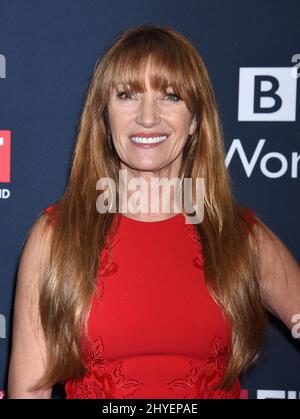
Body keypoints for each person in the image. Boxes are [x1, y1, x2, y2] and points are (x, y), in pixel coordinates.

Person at [7, 25, 300, 399]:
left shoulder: (240, 236)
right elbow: (29, 392)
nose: (148, 117)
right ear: (104, 116)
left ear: (195, 120)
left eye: (171, 96)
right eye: (127, 95)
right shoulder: (55, 238)